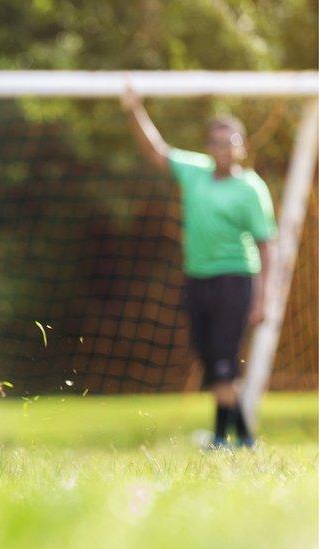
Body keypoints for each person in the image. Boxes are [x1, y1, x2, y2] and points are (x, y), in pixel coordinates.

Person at [122, 84, 277, 448]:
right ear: (209, 147)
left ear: (242, 146)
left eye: (231, 141)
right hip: (197, 281)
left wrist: (262, 299)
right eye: (217, 142)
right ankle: (232, 438)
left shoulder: (251, 189)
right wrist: (134, 110)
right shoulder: (194, 172)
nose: (224, 148)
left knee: (223, 362)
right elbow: (157, 151)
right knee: (211, 360)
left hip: (235, 280)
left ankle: (236, 440)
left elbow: (268, 246)